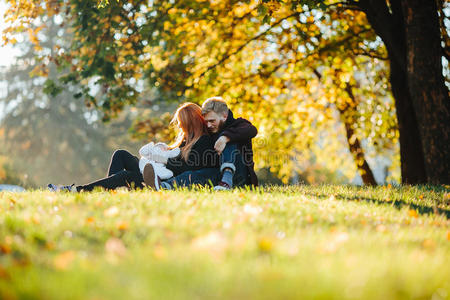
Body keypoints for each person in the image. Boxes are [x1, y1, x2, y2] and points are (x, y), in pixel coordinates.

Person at [48, 102, 217, 192]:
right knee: (120, 154)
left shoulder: (203, 143)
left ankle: (77, 190)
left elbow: (187, 171)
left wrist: (163, 160)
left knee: (125, 176)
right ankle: (109, 189)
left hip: (158, 181)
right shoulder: (184, 141)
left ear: (191, 123)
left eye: (182, 125)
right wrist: (160, 152)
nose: (180, 128)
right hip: (153, 170)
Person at [150, 97, 258, 191]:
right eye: (206, 121)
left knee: (229, 139)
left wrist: (224, 138)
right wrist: (164, 149)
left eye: (212, 121)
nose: (209, 125)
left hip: (240, 175)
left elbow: (251, 130)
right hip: (219, 175)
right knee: (195, 175)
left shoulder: (238, 124)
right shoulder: (210, 132)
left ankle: (227, 178)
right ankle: (164, 186)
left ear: (224, 116)